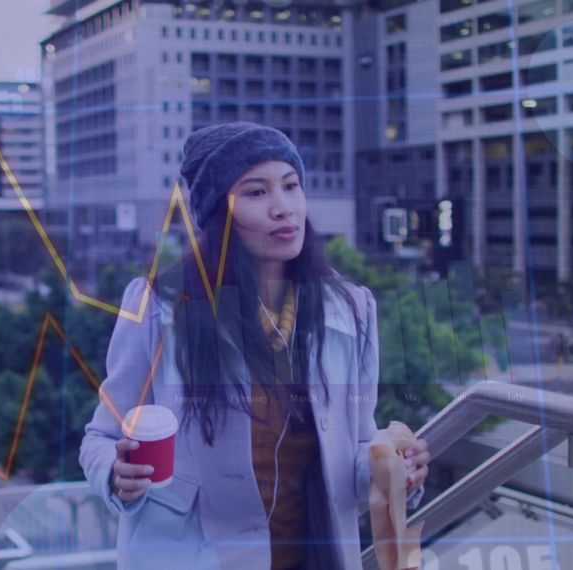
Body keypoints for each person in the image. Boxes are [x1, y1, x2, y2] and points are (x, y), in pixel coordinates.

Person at [79, 122, 431, 569]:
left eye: (291, 185)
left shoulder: (351, 310)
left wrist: (395, 469)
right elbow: (101, 437)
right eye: (256, 192)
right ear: (218, 214)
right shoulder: (159, 307)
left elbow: (354, 458)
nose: (284, 208)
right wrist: (115, 473)